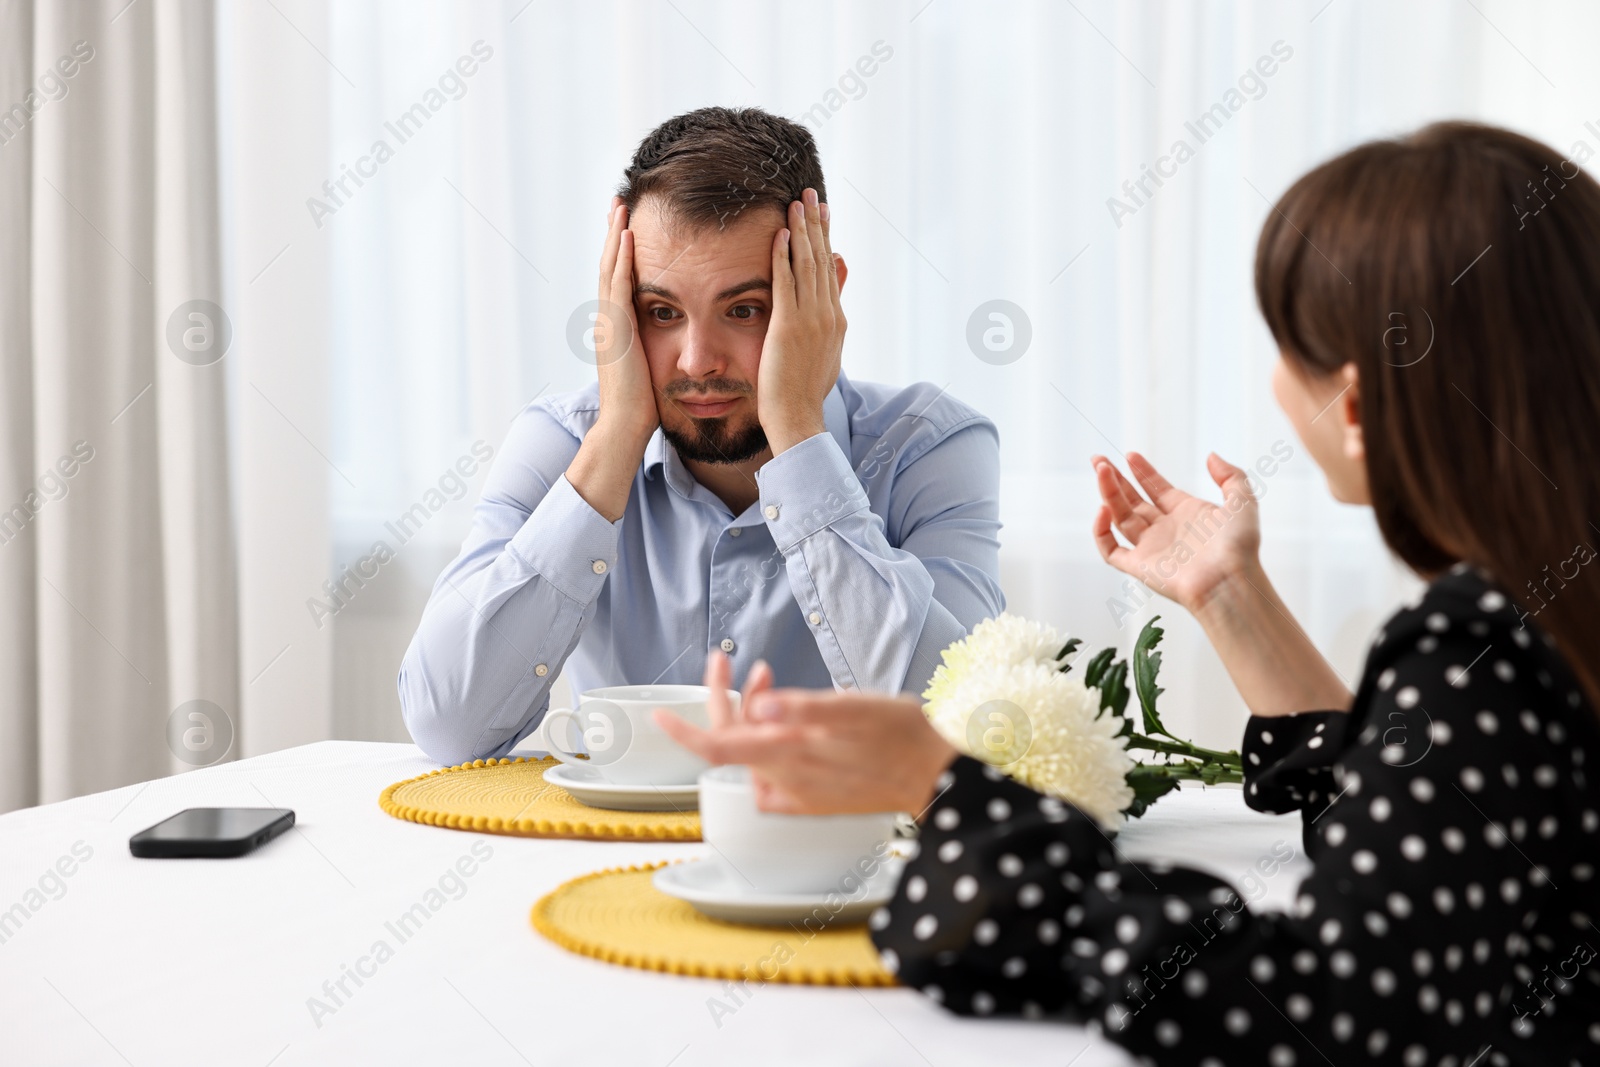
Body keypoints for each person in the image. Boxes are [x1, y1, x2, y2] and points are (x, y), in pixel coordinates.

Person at [658, 122, 1600, 1065]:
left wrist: (944, 789)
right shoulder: (1542, 629)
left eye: (1289, 345)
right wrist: (1231, 595)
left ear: (1351, 407)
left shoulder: (1483, 661)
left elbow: (1317, 1019)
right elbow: (1420, 850)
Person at [398, 107, 1003, 766]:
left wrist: (798, 432)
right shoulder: (564, 444)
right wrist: (618, 434)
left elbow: (960, 736)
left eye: (744, 310)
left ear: (823, 295)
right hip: (608, 857)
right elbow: (449, 726)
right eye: (662, 313)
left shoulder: (933, 448)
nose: (695, 361)